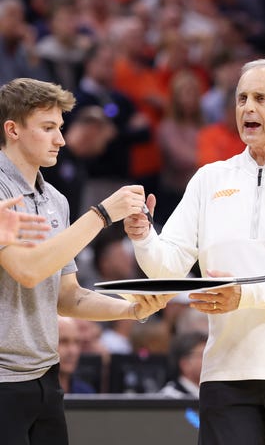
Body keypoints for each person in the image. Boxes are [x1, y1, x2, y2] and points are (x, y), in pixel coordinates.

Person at [125, 58, 265, 444]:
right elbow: (168, 265)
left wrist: (244, 295)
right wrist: (143, 236)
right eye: (242, 98)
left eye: (262, 98)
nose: (248, 107)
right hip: (227, 372)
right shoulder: (209, 179)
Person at [0, 77, 174, 445]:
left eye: (60, 128)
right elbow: (28, 271)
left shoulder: (56, 200)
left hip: (45, 374)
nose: (60, 140)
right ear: (12, 130)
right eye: (48, 128)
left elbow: (67, 296)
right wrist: (101, 214)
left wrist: (130, 309)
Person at [159, 331, 207, 399]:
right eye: (203, 355)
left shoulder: (214, 394)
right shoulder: (169, 397)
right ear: (185, 364)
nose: (211, 360)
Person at [57, 316, 96, 394]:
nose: (72, 351)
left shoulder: (85, 393)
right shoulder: (32, 395)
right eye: (63, 341)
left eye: (77, 342)